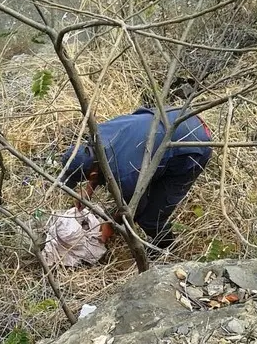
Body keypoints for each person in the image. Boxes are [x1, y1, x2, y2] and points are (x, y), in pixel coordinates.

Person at [60, 107, 212, 258]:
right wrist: (88, 190)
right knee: (144, 180)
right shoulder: (98, 133)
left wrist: (111, 225)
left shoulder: (126, 175)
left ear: (92, 173)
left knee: (150, 217)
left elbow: (134, 206)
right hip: (179, 114)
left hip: (192, 144)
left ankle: (165, 248)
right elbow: (97, 165)